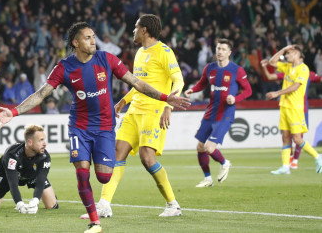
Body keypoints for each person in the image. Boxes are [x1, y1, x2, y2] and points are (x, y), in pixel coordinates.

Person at [0, 22, 190, 233]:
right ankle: (95, 223)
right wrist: (12, 113)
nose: (93, 40)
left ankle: (104, 196)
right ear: (76, 43)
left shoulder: (107, 59)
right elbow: (41, 94)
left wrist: (165, 98)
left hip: (104, 127)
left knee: (104, 175)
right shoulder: (64, 67)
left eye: (93, 36)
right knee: (82, 172)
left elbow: (137, 83)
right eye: (87, 37)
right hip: (79, 127)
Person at [85, 14, 185, 219]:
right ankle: (104, 205)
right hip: (134, 112)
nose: (133, 30)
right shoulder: (140, 52)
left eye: (135, 27)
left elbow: (179, 80)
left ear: (145, 30)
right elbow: (139, 84)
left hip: (153, 111)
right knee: (116, 153)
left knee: (147, 159)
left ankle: (172, 204)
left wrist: (168, 106)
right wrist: (123, 101)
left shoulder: (164, 51)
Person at [185, 39, 252, 187]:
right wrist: (192, 89)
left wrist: (235, 98)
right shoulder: (209, 68)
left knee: (209, 148)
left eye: (223, 49)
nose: (220, 51)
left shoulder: (237, 70)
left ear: (229, 52)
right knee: (200, 147)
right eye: (218, 49)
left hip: (225, 114)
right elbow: (202, 83)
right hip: (210, 112)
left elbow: (248, 90)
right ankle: (208, 179)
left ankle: (225, 162)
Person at [265, 45, 322, 174]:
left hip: (295, 108)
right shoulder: (288, 67)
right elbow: (272, 62)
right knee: (285, 138)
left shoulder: (303, 69)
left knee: (297, 139)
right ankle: (286, 167)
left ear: (296, 54)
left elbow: (295, 86)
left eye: (289, 53)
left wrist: (277, 93)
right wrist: (284, 49)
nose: (286, 56)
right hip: (284, 107)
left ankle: (318, 157)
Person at [0, 124, 58, 213]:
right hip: (7, 176)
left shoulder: (44, 157)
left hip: (32, 175)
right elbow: (13, 184)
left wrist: (35, 201)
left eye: (44, 139)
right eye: (41, 140)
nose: (45, 144)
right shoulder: (12, 155)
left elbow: (41, 180)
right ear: (30, 142)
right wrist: (20, 204)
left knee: (52, 205)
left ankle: (50, 196)